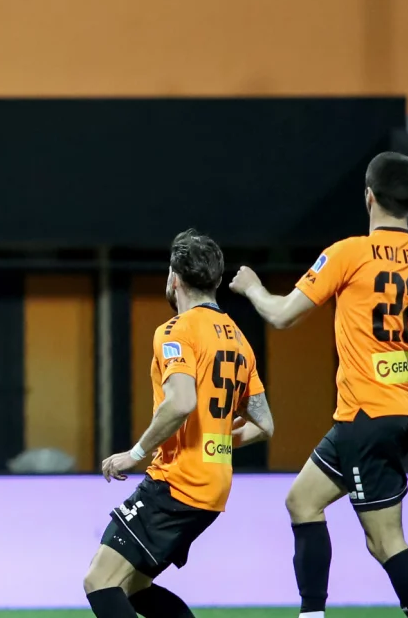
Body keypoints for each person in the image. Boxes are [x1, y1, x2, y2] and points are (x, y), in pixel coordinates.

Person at [229, 151, 408, 618]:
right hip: (394, 411)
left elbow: (281, 316)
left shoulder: (348, 253)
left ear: (368, 198)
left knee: (385, 542)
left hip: (368, 414)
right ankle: (311, 614)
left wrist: (252, 288)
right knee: (302, 500)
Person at [86, 229, 275, 618]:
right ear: (218, 280)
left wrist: (134, 454)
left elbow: (181, 402)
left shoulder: (176, 330)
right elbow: (264, 425)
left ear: (174, 277)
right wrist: (218, 440)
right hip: (214, 485)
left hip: (178, 482)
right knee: (134, 585)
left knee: (100, 581)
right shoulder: (239, 340)